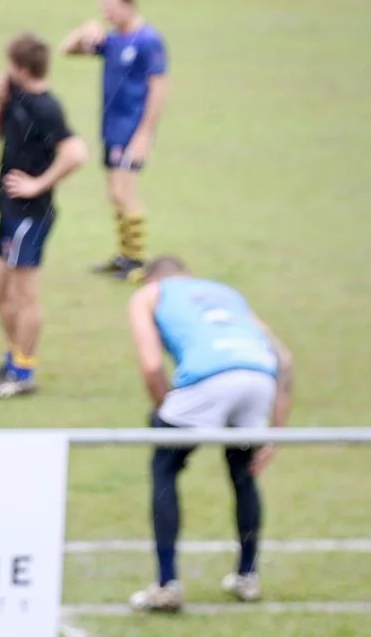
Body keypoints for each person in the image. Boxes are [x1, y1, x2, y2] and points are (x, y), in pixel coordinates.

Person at [125, 258, 294, 612]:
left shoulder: (149, 295)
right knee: (244, 474)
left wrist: (165, 413)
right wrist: (275, 435)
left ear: (153, 277)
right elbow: (285, 359)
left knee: (165, 468)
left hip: (207, 379)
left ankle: (167, 584)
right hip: (258, 378)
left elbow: (152, 367)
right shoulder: (226, 293)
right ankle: (247, 576)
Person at [0, 34, 89, 398]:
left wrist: (38, 184)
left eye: (10, 65)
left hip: (31, 215)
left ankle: (22, 373)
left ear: (23, 69)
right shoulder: (14, 96)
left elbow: (76, 153)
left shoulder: (46, 108)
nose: (5, 70)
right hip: (7, 210)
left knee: (24, 295)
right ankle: (13, 358)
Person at [62, 0, 170, 279]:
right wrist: (84, 30)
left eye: (112, 9)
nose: (107, 15)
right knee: (114, 193)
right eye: (104, 10)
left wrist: (145, 133)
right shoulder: (111, 40)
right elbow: (67, 49)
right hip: (111, 128)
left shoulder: (148, 41)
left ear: (129, 5)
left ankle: (139, 260)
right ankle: (125, 256)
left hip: (133, 129)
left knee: (125, 191)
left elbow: (159, 87)